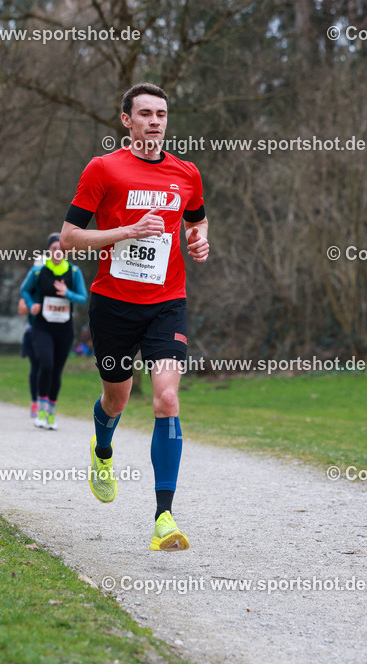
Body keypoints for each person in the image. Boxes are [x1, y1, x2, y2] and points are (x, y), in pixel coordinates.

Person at [58, 83, 210, 551]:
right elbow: (68, 238)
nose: (154, 121)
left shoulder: (186, 173)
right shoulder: (103, 169)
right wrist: (126, 231)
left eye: (161, 114)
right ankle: (102, 449)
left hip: (167, 302)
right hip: (113, 304)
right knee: (117, 399)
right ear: (126, 120)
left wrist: (199, 240)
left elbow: (197, 218)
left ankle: (164, 518)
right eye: (145, 113)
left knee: (167, 398)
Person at [21, 233, 88, 430]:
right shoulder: (38, 271)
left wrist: (67, 293)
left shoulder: (74, 271)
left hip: (64, 328)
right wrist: (31, 305)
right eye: (53, 249)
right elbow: (24, 290)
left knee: (57, 370)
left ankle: (51, 413)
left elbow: (83, 298)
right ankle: (41, 411)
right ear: (48, 251)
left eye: (61, 249)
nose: (57, 252)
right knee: (46, 364)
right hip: (42, 326)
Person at [18, 253, 45, 418]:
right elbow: (21, 309)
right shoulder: (31, 287)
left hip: (51, 331)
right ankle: (35, 402)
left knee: (48, 368)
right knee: (36, 368)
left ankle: (45, 401)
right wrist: (34, 306)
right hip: (32, 331)